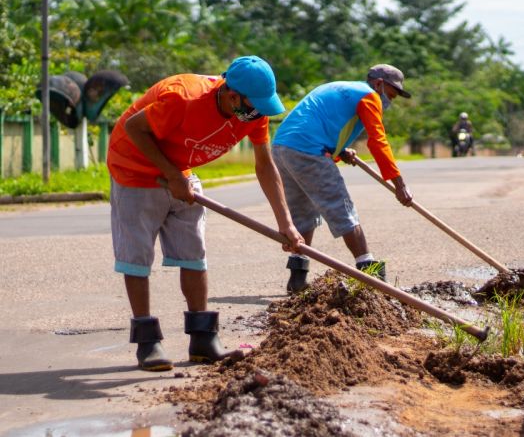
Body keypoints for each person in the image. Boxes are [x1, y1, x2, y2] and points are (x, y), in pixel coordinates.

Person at [107, 55, 304, 372]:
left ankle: (202, 338)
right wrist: (171, 175)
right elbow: (133, 128)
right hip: (134, 169)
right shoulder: (183, 98)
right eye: (252, 105)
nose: (256, 114)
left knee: (194, 251)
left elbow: (265, 166)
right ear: (231, 94)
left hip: (180, 173)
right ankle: (147, 342)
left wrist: (286, 224)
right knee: (137, 255)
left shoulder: (254, 114)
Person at [272, 64, 414, 293]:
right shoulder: (369, 96)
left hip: (282, 148)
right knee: (341, 207)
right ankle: (368, 269)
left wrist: (340, 151)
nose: (389, 101)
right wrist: (399, 184)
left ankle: (297, 278)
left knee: (304, 215)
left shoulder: (343, 88)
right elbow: (378, 142)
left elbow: (320, 122)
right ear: (378, 84)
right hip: (308, 150)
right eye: (390, 94)